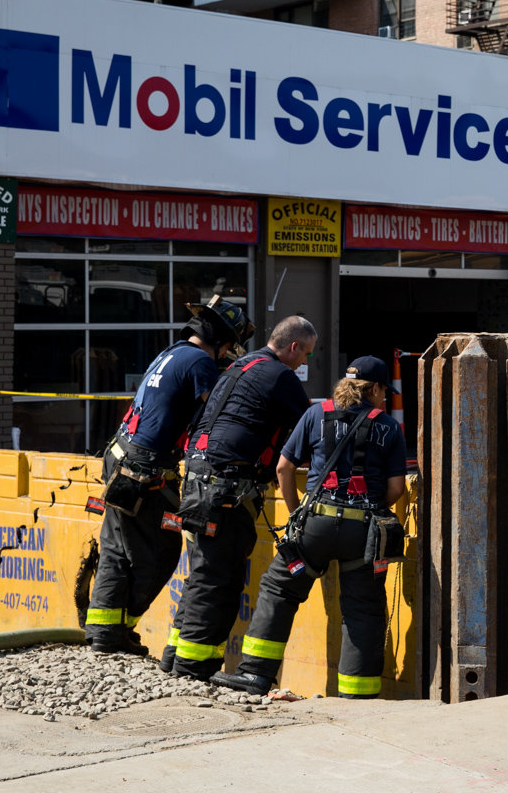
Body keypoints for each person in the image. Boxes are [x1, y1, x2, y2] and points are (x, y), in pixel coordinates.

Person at [211, 357, 407, 698]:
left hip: (313, 526)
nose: (384, 399)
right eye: (382, 393)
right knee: (363, 608)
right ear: (374, 389)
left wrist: (295, 513)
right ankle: (357, 693)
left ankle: (255, 675)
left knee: (279, 590)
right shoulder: (388, 427)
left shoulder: (316, 414)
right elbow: (396, 489)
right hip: (363, 534)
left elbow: (284, 468)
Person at [86, 296, 252, 656]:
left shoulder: (172, 353)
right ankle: (119, 626)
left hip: (120, 456)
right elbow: (216, 418)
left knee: (116, 549)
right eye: (228, 347)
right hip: (145, 471)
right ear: (221, 340)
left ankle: (104, 630)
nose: (227, 354)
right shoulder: (200, 365)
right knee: (160, 552)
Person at [162, 315, 317, 680]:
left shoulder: (239, 366)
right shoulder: (280, 376)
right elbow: (313, 427)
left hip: (197, 480)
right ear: (293, 347)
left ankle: (174, 658)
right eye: (305, 354)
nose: (305, 362)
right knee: (219, 578)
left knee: (202, 572)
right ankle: (193, 666)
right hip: (225, 489)